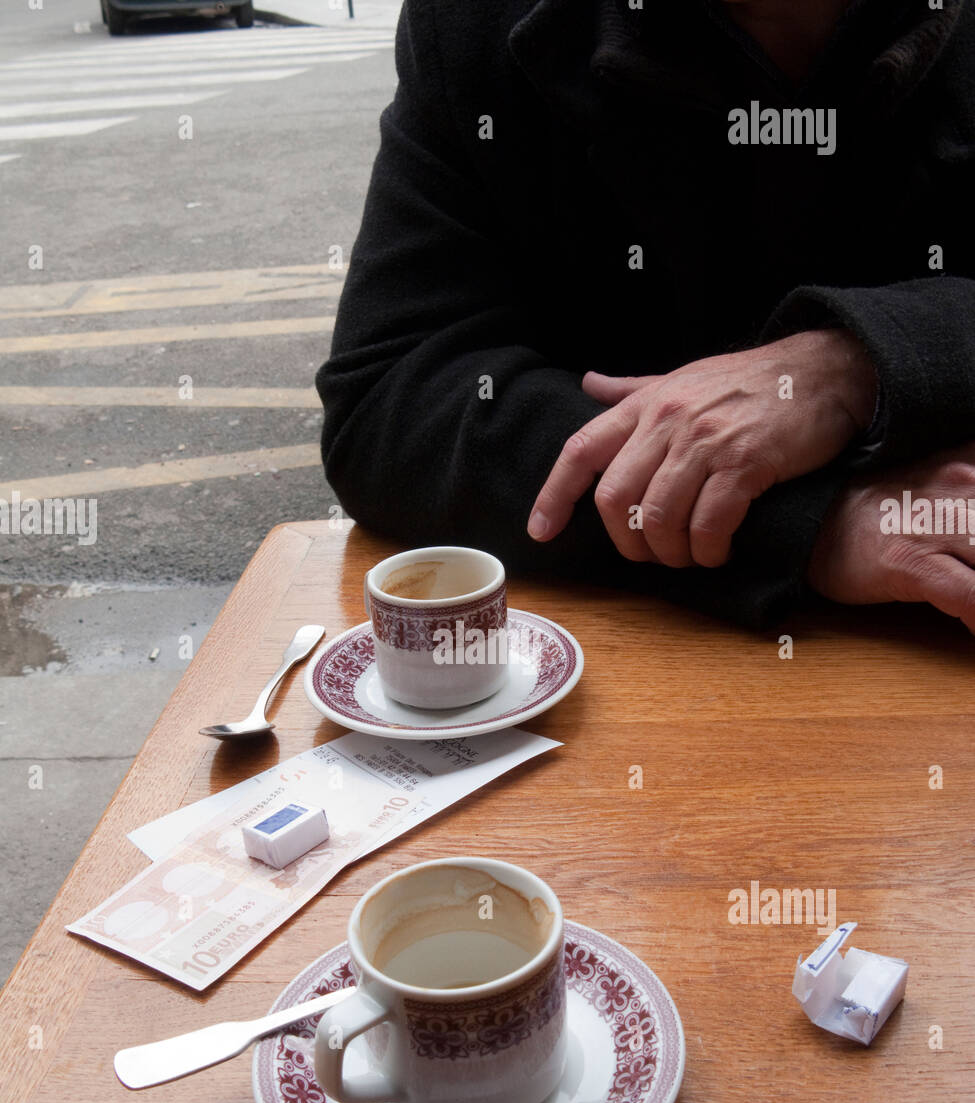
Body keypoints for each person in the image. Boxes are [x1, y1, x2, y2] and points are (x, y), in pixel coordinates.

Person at [317, 0, 975, 633]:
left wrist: (853, 363)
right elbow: (390, 403)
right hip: (619, 669)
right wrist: (808, 518)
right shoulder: (473, 22)